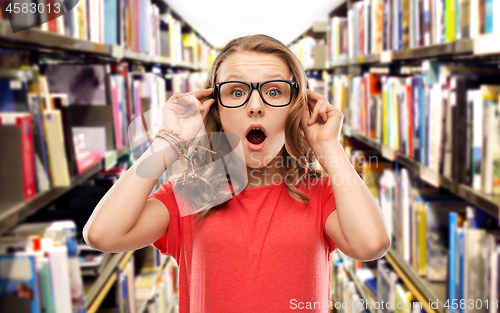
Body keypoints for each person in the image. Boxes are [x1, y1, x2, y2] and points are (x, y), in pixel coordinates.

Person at [83, 34, 390, 313]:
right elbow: (102, 234)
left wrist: (328, 147)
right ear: (217, 109)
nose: (255, 106)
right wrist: (168, 142)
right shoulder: (192, 194)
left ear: (296, 107)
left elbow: (371, 244)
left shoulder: (320, 194)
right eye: (236, 92)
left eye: (273, 90)